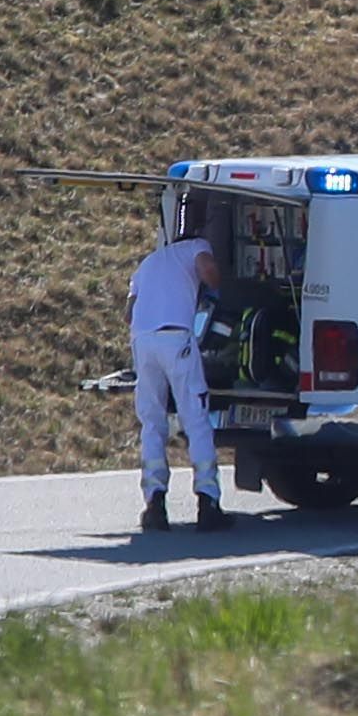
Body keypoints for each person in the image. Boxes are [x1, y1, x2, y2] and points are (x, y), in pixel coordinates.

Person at [127, 200, 229, 532]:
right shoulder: (197, 247)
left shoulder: (149, 262)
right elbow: (208, 271)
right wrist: (217, 288)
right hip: (176, 340)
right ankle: (208, 501)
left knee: (152, 421)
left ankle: (155, 503)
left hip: (143, 342)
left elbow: (128, 311)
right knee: (195, 418)